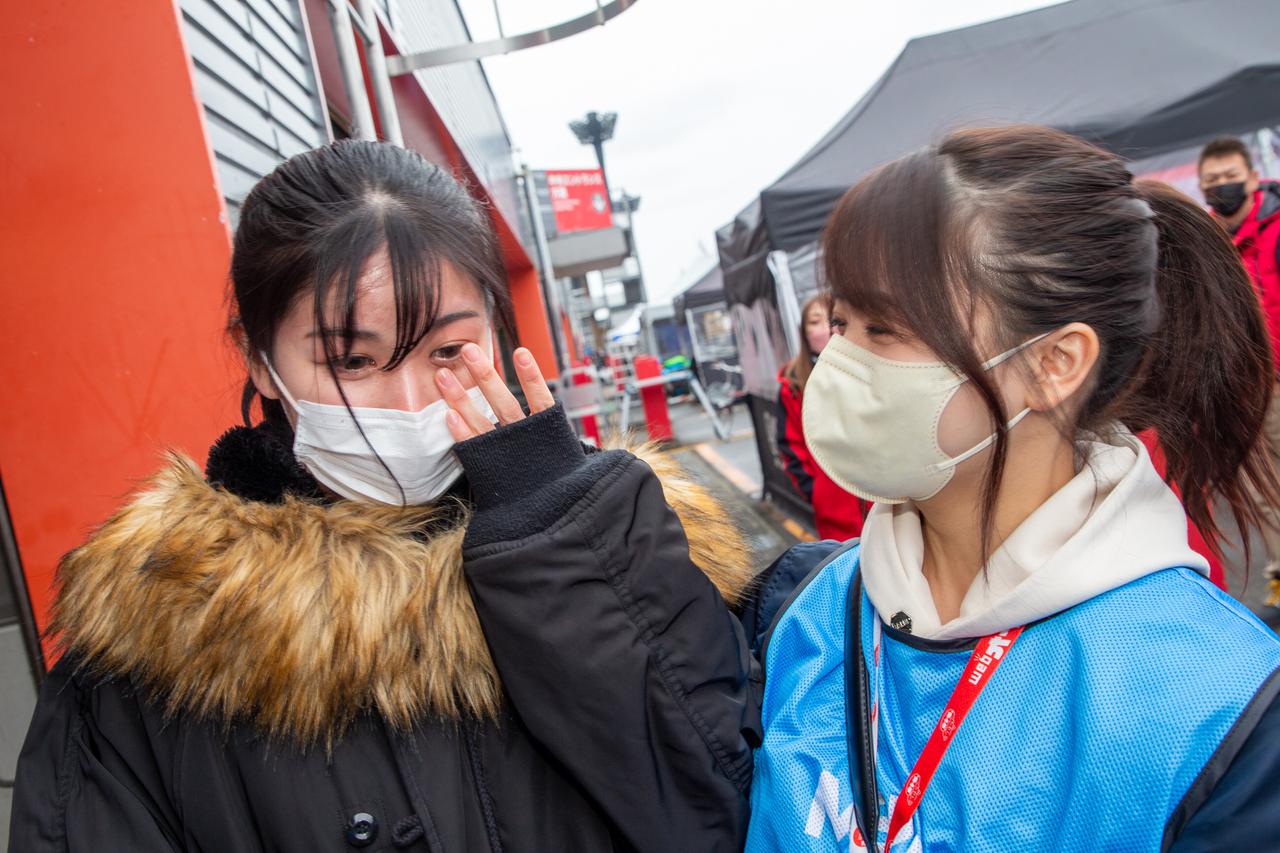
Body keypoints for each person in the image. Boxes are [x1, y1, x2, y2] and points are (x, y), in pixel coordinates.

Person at [9, 140, 756, 852]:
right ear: (260, 361)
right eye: (352, 358)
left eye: (447, 351)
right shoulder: (153, 650)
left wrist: (564, 536)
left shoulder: (628, 540)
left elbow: (725, 802)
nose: (405, 401)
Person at [746, 126, 1280, 852]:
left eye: (885, 327)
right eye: (840, 322)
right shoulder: (806, 616)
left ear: (1055, 363)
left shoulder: (1218, 702)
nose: (840, 360)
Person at [1199, 135, 1280, 598]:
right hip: (1244, 388)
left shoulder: (1275, 226)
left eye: (1230, 177)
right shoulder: (1206, 242)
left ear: (1252, 178)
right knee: (1260, 493)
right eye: (1213, 181)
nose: (1222, 187)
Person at [776, 295, 868, 539]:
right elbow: (790, 448)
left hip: (884, 507)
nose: (825, 328)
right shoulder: (792, 385)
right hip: (835, 516)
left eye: (833, 320)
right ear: (803, 332)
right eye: (815, 321)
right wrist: (816, 491)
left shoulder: (868, 368)